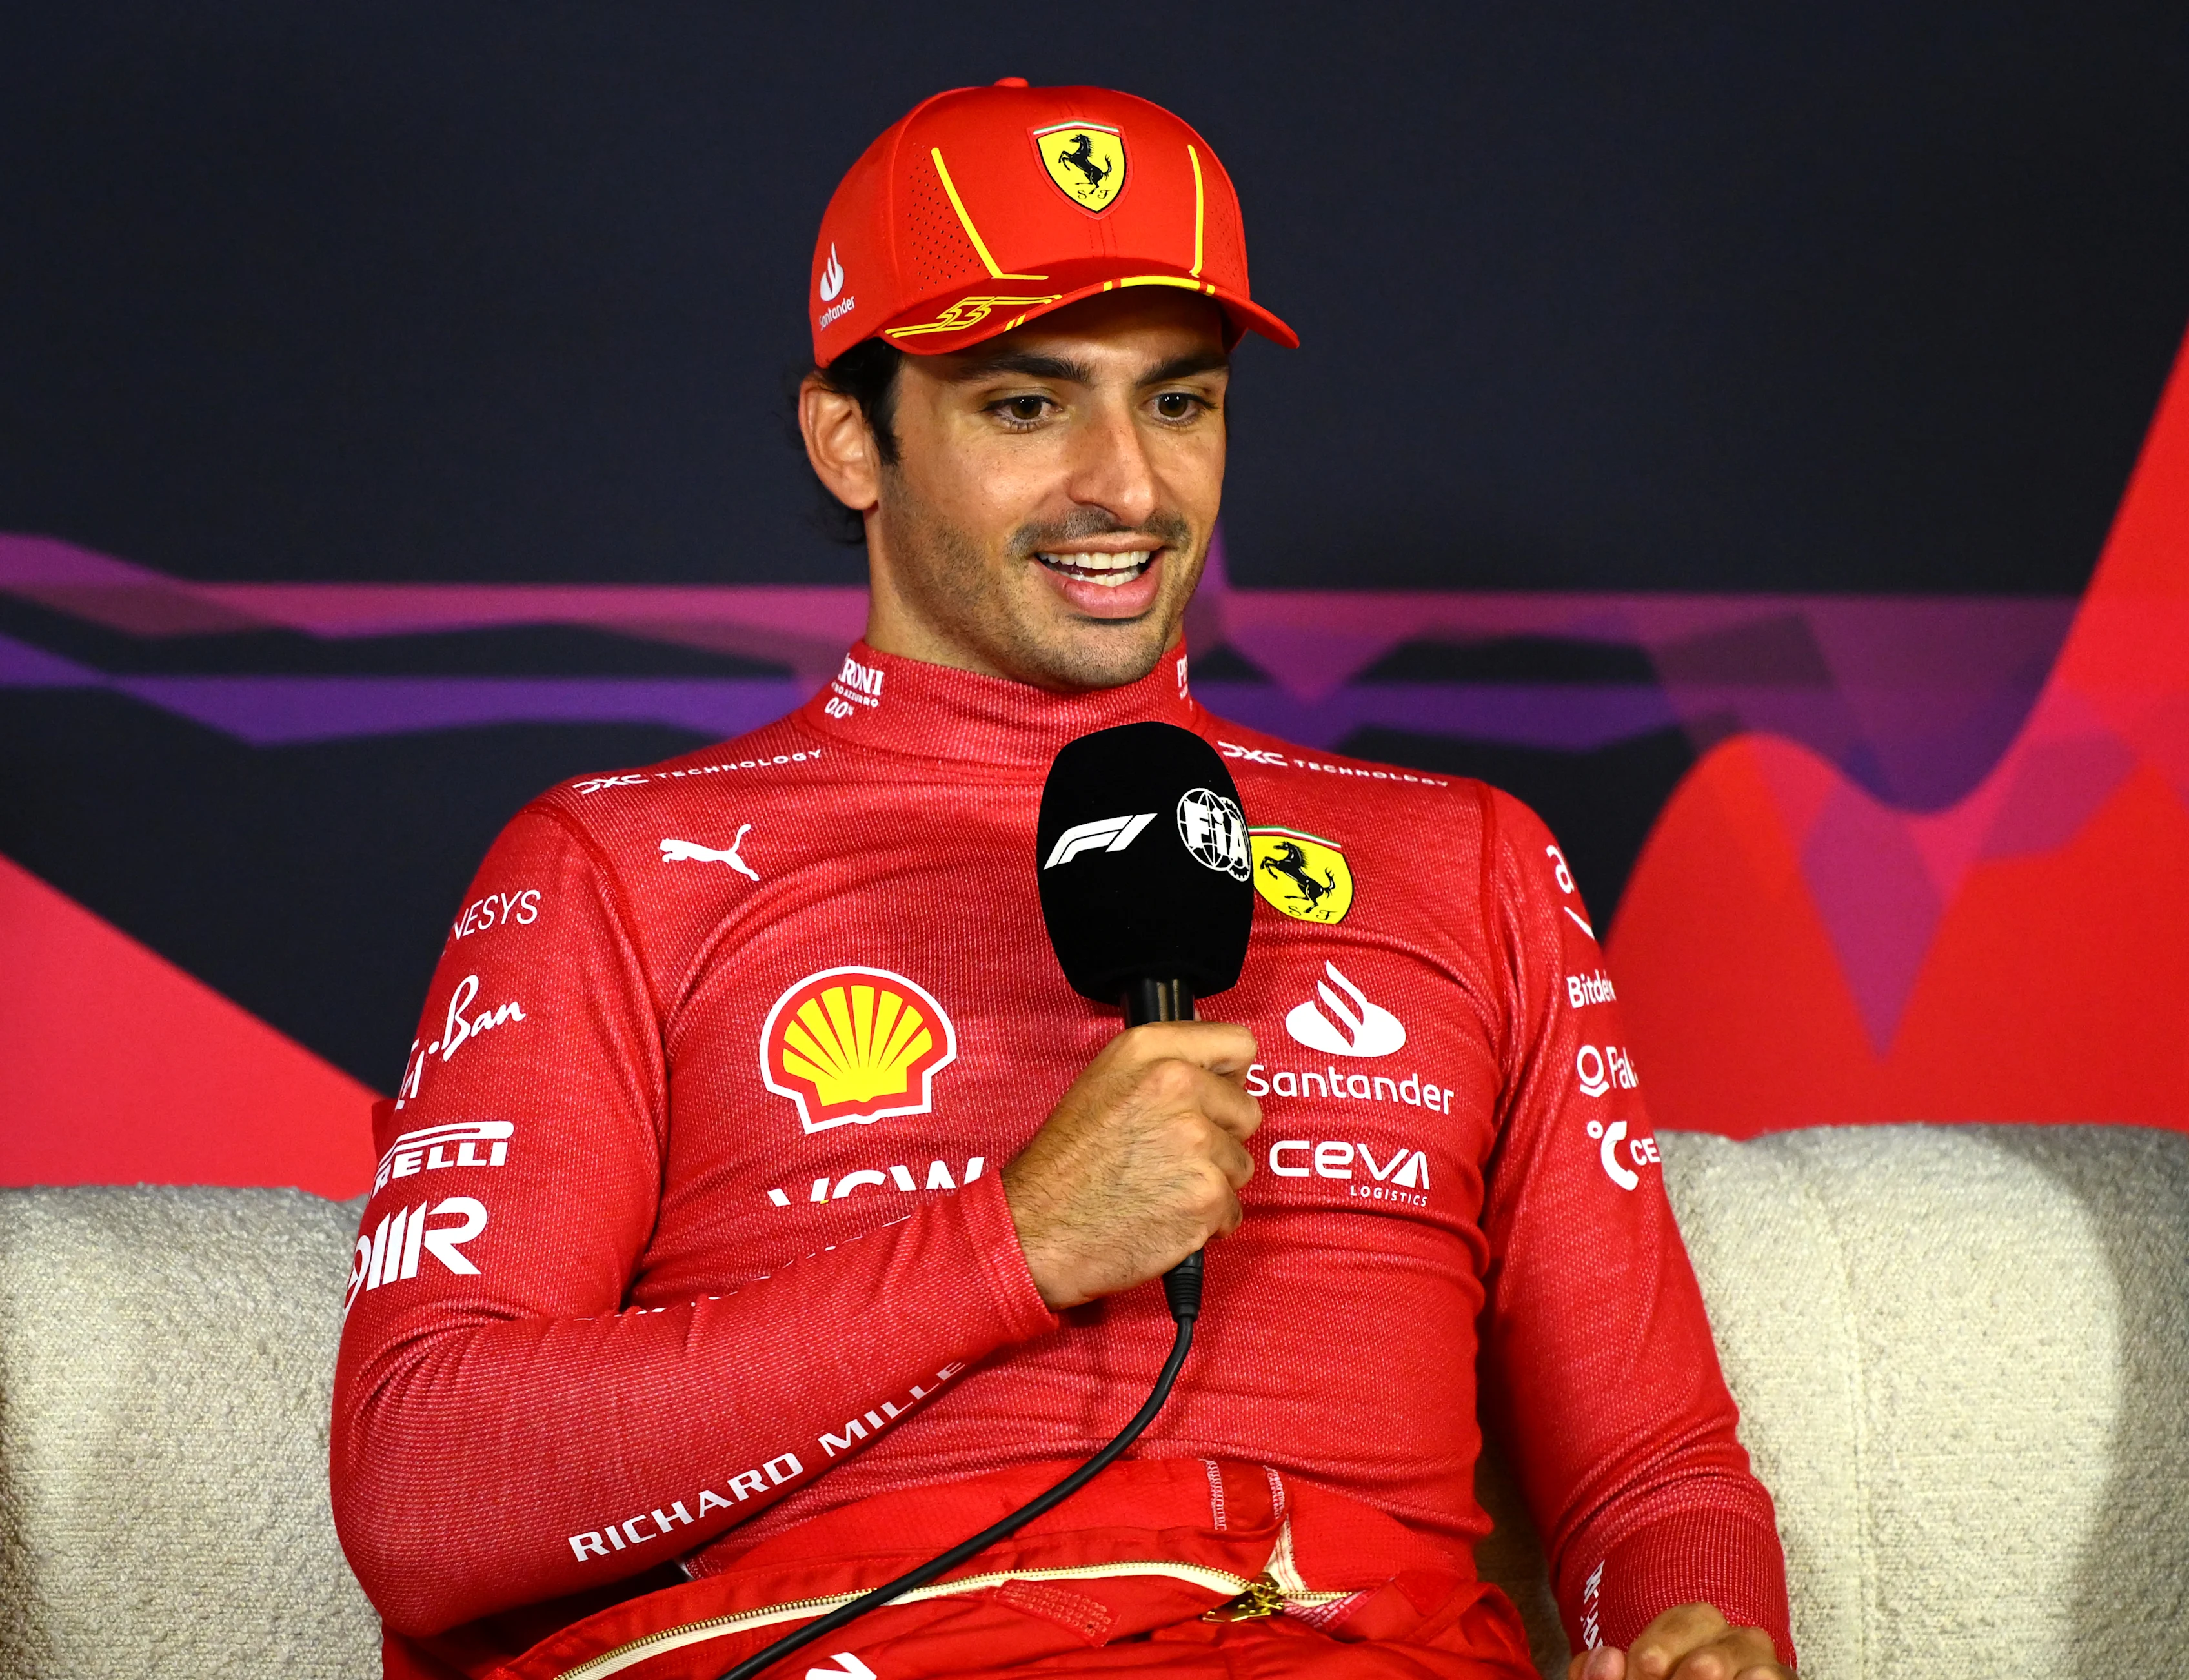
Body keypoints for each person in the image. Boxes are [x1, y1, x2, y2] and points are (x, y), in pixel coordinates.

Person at [332, 81, 1795, 1680]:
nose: (1130, 486)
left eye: (1178, 401)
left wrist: (1694, 1643)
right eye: (1028, 406)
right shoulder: (620, 860)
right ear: (848, 438)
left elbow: (1654, 1474)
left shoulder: (1472, 856)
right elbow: (426, 1499)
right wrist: (1013, 1243)